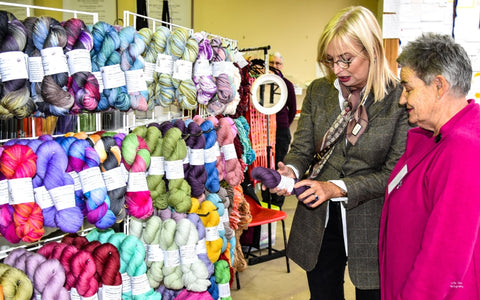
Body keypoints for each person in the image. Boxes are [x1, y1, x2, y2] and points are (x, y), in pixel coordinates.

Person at [269, 6, 410, 299]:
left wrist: (335, 187)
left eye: (347, 60)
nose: (338, 70)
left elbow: (392, 175)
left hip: (372, 223)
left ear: (372, 51)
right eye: (331, 60)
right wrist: (290, 172)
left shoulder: (399, 99)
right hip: (318, 221)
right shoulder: (320, 91)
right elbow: (303, 148)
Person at [379, 33, 480, 299]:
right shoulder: (432, 138)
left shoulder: (463, 148)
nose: (402, 100)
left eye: (408, 88)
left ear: (438, 86)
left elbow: (445, 256)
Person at [262, 52, 297, 208]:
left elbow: (293, 109)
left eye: (278, 63)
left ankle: (277, 205)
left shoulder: (287, 84)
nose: (274, 66)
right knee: (265, 167)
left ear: (282, 66)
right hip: (262, 132)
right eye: (271, 62)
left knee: (279, 166)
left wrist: (283, 125)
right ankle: (265, 202)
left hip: (281, 131)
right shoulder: (261, 83)